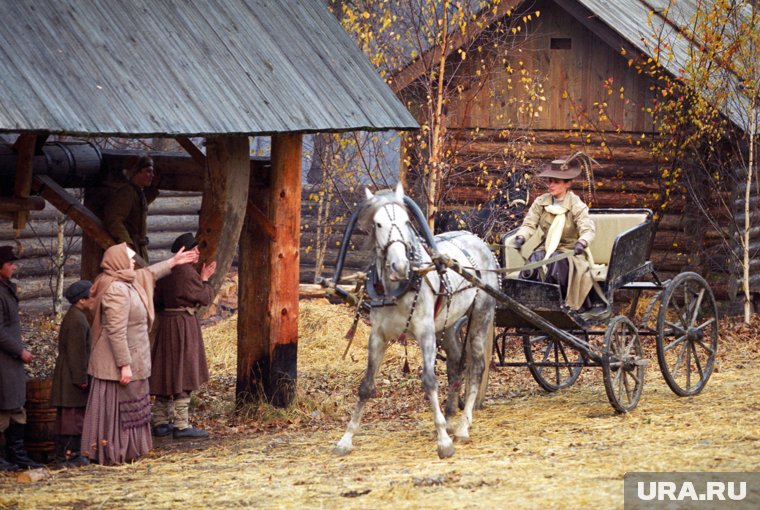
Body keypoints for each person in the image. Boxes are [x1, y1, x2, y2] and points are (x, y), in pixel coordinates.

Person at [80, 242, 198, 466]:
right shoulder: (115, 288)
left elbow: (148, 273)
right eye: (129, 258)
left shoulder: (127, 280)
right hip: (118, 361)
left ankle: (129, 450)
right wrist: (124, 364)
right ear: (118, 261)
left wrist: (173, 262)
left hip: (134, 354)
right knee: (120, 408)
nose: (133, 262)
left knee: (133, 405)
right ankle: (115, 452)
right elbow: (116, 330)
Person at [150, 233, 217, 439]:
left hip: (166, 324)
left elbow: (157, 301)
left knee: (165, 369)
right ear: (185, 252)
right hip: (182, 326)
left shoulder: (167, 271)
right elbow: (204, 297)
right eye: (194, 250)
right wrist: (205, 280)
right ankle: (181, 424)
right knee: (184, 369)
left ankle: (160, 421)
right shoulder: (186, 272)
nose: (198, 254)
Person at [512, 153, 598, 311]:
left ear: (567, 184)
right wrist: (521, 237)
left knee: (555, 264)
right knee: (533, 262)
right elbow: (529, 224)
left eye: (556, 182)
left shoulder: (575, 205)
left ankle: (557, 307)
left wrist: (582, 242)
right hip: (546, 249)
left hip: (570, 252)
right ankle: (528, 307)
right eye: (550, 181)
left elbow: (588, 229)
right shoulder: (541, 202)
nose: (551, 185)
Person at [0, 246, 43, 471]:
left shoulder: (6, 289)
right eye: (10, 263)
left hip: (11, 360)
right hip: (3, 360)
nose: (14, 267)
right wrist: (19, 351)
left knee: (16, 405)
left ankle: (16, 454)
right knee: (4, 407)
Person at [50, 280, 94, 467]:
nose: (93, 299)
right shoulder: (77, 319)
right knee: (72, 417)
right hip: (71, 376)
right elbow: (77, 353)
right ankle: (68, 456)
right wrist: (81, 379)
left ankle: (68, 455)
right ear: (82, 300)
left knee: (70, 416)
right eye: (90, 296)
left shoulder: (76, 316)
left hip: (69, 373)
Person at [102, 155, 159, 262]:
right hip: (131, 249)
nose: (152, 175)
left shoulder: (137, 192)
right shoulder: (126, 192)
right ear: (137, 172)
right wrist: (126, 243)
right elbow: (114, 219)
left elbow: (140, 208)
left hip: (139, 248)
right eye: (148, 171)